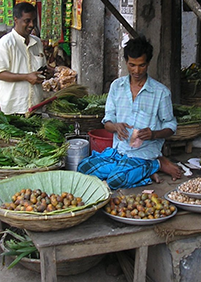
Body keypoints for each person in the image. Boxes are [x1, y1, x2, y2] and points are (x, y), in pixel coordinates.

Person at [77, 37, 183, 190]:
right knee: (83, 167)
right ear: (126, 62)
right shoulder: (117, 86)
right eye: (132, 65)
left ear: (148, 63)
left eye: (142, 65)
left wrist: (153, 134)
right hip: (118, 152)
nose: (137, 71)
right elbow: (107, 122)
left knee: (115, 180)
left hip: (143, 154)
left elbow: (171, 126)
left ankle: (155, 164)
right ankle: (141, 172)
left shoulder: (161, 93)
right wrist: (115, 127)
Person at [0, 2, 47, 114]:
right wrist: (26, 77)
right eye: (27, 21)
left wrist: (47, 72)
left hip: (35, 106)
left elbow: (40, 68)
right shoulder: (6, 43)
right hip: (14, 107)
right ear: (16, 20)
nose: (31, 25)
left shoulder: (37, 43)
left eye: (34, 21)